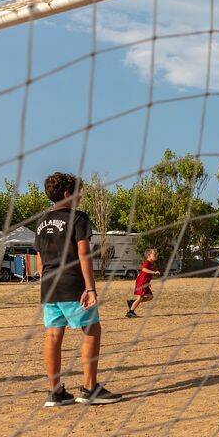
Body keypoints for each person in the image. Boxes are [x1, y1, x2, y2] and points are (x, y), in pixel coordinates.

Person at [34, 172, 121, 406]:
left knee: (53, 335)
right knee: (92, 328)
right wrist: (90, 288)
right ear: (67, 194)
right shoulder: (78, 218)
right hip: (73, 283)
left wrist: (47, 282)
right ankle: (90, 388)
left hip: (49, 285)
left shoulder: (41, 221)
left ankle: (56, 391)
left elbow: (40, 258)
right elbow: (83, 254)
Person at [127, 248, 159, 318]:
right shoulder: (147, 262)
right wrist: (154, 272)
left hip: (145, 283)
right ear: (149, 256)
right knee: (140, 298)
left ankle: (133, 302)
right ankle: (130, 312)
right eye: (154, 254)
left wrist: (148, 283)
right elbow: (144, 269)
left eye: (156, 254)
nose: (156, 256)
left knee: (150, 297)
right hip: (141, 283)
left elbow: (145, 274)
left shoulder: (151, 264)